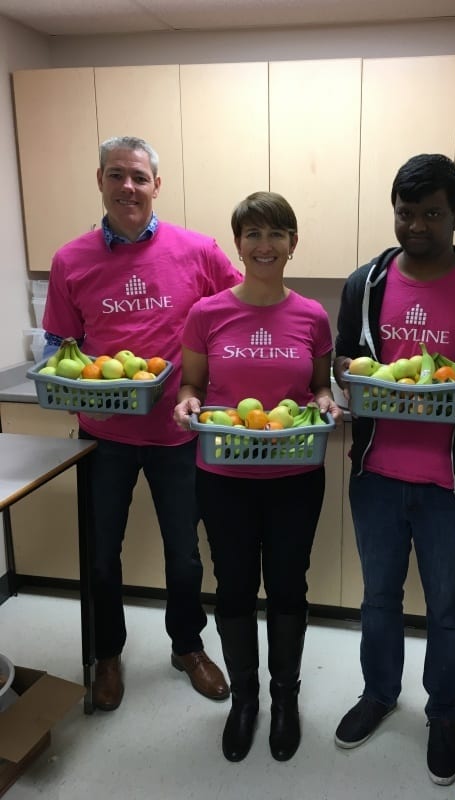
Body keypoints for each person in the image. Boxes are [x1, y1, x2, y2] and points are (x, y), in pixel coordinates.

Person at [332, 154, 455, 785]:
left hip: (449, 483)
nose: (416, 226)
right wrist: (341, 377)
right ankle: (379, 693)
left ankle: (444, 714)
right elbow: (345, 363)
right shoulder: (364, 284)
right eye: (406, 212)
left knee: (447, 607)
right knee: (379, 599)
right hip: (377, 477)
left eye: (432, 213)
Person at [42, 135, 243, 712]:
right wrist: (74, 383)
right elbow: (60, 345)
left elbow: (239, 310)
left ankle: (187, 647)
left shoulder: (198, 250)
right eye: (115, 175)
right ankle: (108, 654)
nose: (127, 186)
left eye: (137, 176)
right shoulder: (70, 260)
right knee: (102, 554)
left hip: (177, 434)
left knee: (184, 553)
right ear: (100, 181)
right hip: (102, 437)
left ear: (157, 184)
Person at [173, 191, 343, 763]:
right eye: (253, 234)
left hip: (296, 472)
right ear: (238, 244)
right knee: (235, 585)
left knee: (290, 584)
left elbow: (318, 386)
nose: (264, 246)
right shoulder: (208, 313)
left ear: (293, 244)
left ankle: (285, 697)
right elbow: (192, 386)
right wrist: (187, 405)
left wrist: (326, 402)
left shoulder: (313, 315)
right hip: (224, 473)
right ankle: (245, 699)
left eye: (276, 234)